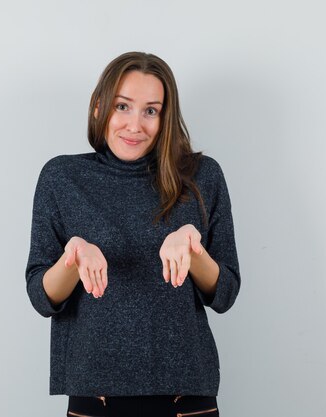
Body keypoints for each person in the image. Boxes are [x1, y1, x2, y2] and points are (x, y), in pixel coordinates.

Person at [25, 51, 241, 417]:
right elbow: (41, 296)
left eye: (151, 110)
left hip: (185, 399)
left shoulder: (202, 177)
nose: (135, 125)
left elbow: (225, 293)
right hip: (96, 399)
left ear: (165, 117)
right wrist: (72, 257)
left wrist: (194, 250)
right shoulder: (61, 178)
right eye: (122, 106)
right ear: (99, 107)